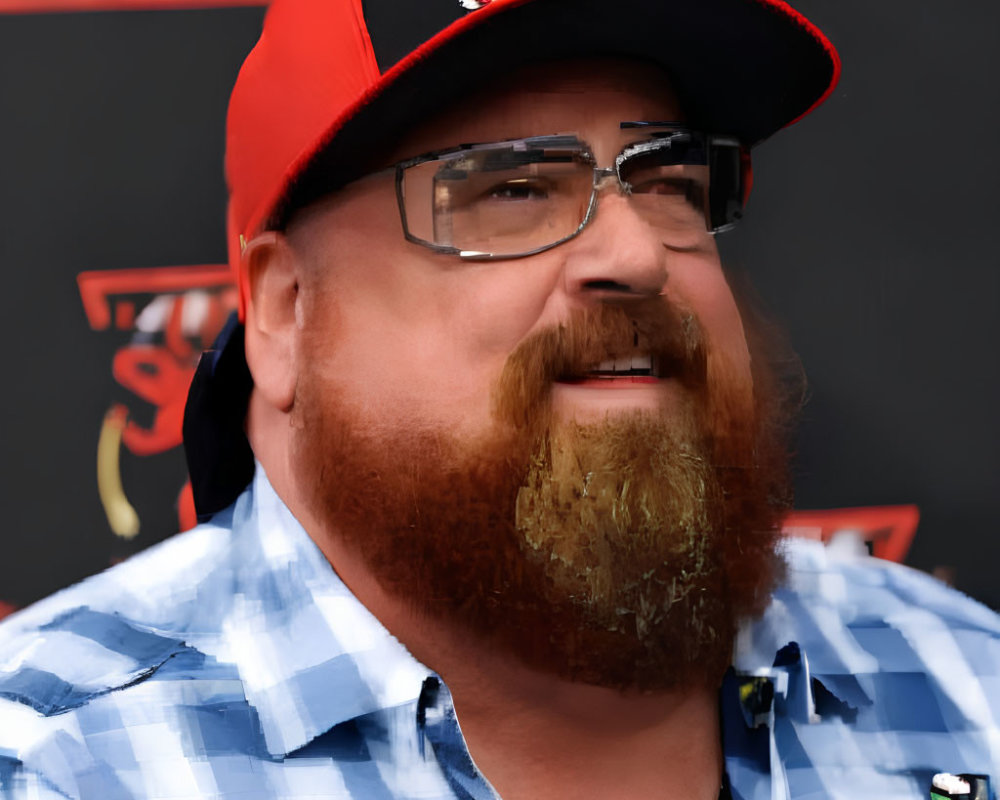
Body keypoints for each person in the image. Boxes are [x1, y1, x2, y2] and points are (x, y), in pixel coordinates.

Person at [1, 0, 998, 798]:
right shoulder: (61, 763)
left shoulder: (964, 689)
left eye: (667, 181)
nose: (637, 251)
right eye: (511, 188)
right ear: (282, 311)